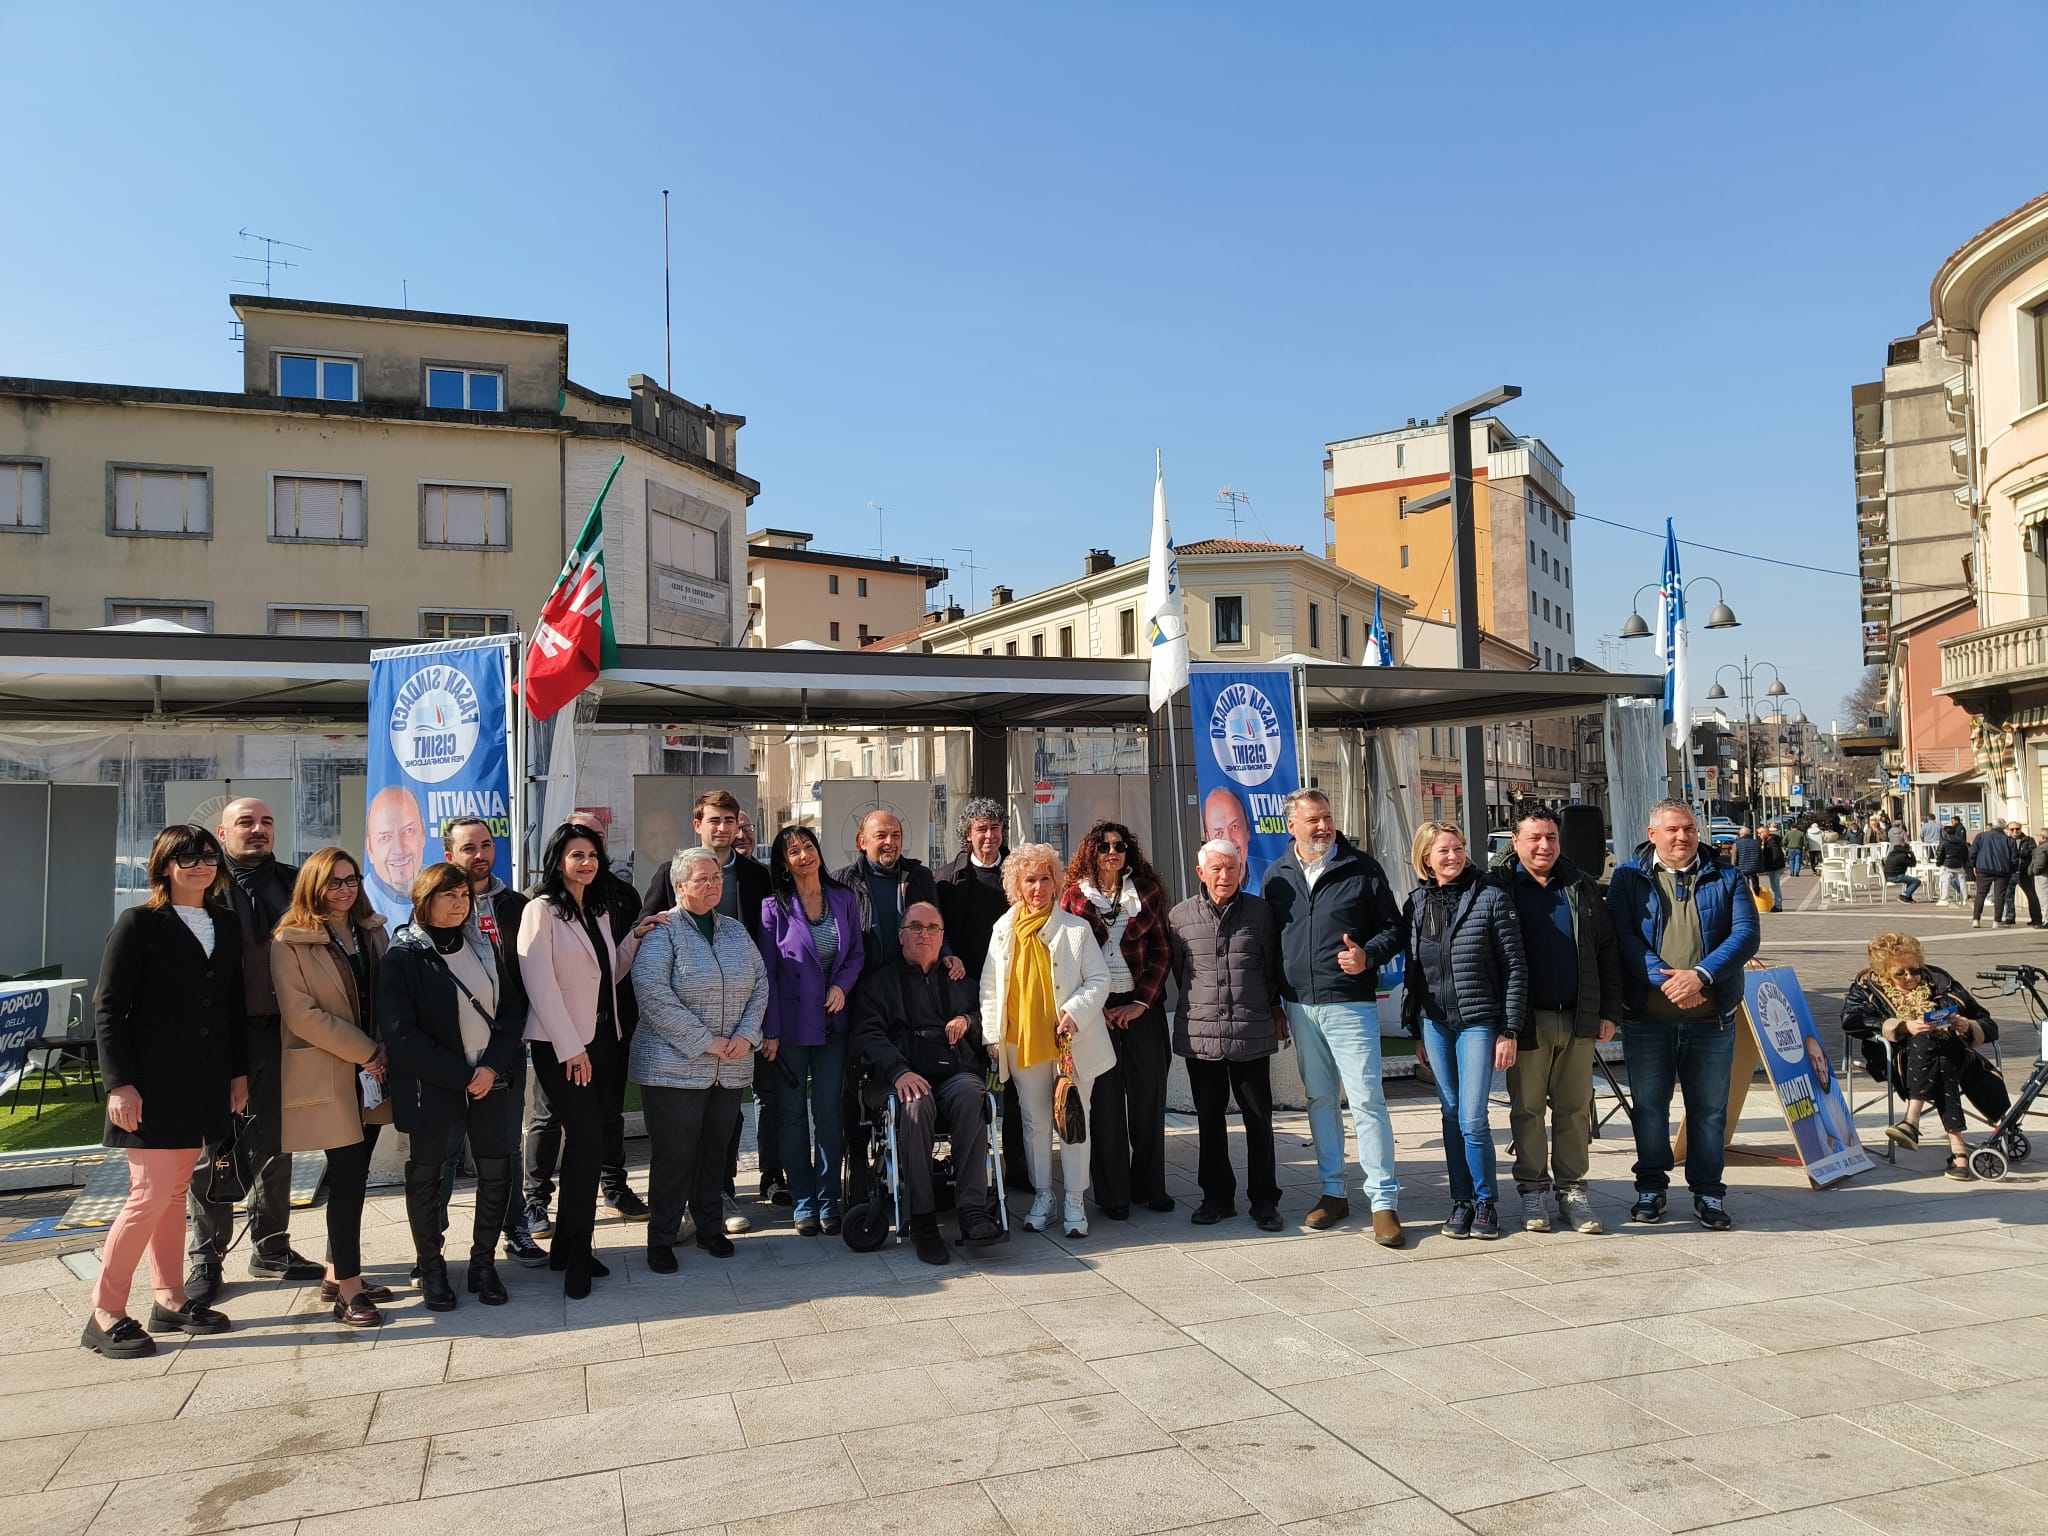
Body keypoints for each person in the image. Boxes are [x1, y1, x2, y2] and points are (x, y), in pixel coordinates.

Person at [86, 825, 249, 1358]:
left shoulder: (224, 923)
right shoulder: (138, 923)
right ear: (163, 866)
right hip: (150, 1085)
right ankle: (105, 1312)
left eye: (207, 857)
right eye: (186, 858)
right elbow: (109, 1009)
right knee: (148, 1195)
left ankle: (171, 1298)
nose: (199, 866)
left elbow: (231, 1008)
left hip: (204, 1084)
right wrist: (120, 1084)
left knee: (177, 1194)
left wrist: (238, 1075)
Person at [186, 798, 320, 1311]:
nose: (258, 830)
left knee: (277, 1141)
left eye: (266, 821)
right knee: (215, 1148)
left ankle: (271, 1246)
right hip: (221, 1037)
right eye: (246, 823)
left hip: (285, 1032)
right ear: (223, 831)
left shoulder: (296, 881)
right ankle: (207, 1255)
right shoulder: (201, 885)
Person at [1263, 788, 1408, 1247]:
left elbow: (1394, 928)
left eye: (1327, 817)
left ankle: (1383, 1201)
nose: (1323, 826)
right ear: (1292, 827)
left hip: (1350, 1003)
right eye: (1313, 820)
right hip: (1300, 1006)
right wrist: (1274, 1004)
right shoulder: (1277, 876)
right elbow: (1271, 947)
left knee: (1367, 1100)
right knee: (1320, 1100)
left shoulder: (1361, 867)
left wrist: (1368, 956)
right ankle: (1333, 1192)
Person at [1607, 799, 1760, 1231]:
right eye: (1673, 829)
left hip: (1711, 1019)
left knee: (1709, 1111)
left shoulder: (1727, 875)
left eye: (1689, 828)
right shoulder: (1627, 878)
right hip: (1648, 1018)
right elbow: (1624, 937)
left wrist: (1701, 976)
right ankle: (1651, 1188)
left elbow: (1746, 934)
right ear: (1652, 834)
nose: (1683, 837)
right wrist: (1667, 981)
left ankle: (1709, 1193)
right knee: (1650, 1108)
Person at [384, 863, 529, 1308]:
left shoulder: (483, 944)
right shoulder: (403, 955)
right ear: (423, 899)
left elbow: (511, 1010)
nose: (458, 903)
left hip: (491, 1080)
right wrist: (462, 1075)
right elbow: (401, 1033)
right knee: (428, 1176)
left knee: (496, 1169)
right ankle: (431, 1270)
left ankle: (483, 1266)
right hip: (437, 1085)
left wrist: (489, 1068)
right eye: (447, 895)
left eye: (463, 895)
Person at [518, 824, 653, 1298]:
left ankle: (566, 1250)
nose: (587, 863)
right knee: (587, 1144)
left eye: (593, 855)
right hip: (563, 1046)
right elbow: (541, 985)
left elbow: (607, 972)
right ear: (558, 860)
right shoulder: (541, 910)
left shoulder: (593, 910)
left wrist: (635, 936)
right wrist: (570, 1047)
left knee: (586, 1144)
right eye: (577, 855)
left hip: (601, 1040)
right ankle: (577, 1254)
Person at [640, 791, 775, 1226]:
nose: (723, 827)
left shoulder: (757, 879)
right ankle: (670, 1220)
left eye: (730, 820)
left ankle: (717, 1202)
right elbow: (651, 968)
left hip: (735, 1040)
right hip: (681, 1052)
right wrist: (704, 1040)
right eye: (714, 819)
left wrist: (751, 1031)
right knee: (678, 1145)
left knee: (722, 1134)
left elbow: (762, 971)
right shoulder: (668, 885)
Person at [272, 848, 391, 1327]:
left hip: (375, 1073)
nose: (345, 890)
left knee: (356, 1176)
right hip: (332, 1068)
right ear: (313, 886)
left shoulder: (373, 931)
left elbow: (389, 994)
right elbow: (302, 1014)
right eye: (334, 882)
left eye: (351, 880)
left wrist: (384, 1049)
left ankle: (336, 1272)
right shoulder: (289, 940)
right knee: (345, 1179)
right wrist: (367, 1050)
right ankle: (349, 1291)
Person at [1491, 808, 1621, 1236]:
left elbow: (1606, 950)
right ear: (1516, 842)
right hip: (1527, 1021)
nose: (1544, 846)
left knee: (1574, 1110)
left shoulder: (1580, 885)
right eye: (1534, 838)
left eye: (1551, 837)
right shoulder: (1499, 887)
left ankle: (1572, 1190)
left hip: (1578, 1018)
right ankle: (1532, 1188)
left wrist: (1609, 1011)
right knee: (1526, 1110)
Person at [850, 901, 999, 1263]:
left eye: (932, 928)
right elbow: (868, 1035)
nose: (924, 934)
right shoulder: (879, 985)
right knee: (915, 1105)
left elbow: (987, 1017)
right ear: (901, 936)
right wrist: (899, 1071)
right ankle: (922, 1217)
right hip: (902, 1079)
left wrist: (968, 1020)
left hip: (953, 1076)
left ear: (942, 937)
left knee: (972, 1094)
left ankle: (973, 1210)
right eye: (916, 927)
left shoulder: (961, 982)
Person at [1399, 821, 1527, 1241]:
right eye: (1443, 851)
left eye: (1458, 848)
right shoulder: (1416, 902)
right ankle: (1462, 1201)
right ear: (1425, 858)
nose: (1452, 857)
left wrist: (1509, 1029)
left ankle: (1486, 1201)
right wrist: (1416, 1028)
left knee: (1472, 1118)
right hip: (1435, 1024)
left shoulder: (1491, 897)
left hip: (1479, 1021)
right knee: (1450, 1114)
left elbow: (1514, 968)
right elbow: (1414, 973)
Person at [980, 843, 1111, 1237]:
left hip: (1070, 1043)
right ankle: (1043, 1196)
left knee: (1072, 1120)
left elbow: (1099, 980)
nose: (1037, 887)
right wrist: (991, 1035)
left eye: (1044, 878)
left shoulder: (1076, 929)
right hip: (1021, 1040)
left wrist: (1074, 1011)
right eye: (1029, 880)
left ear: (1056, 883)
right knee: (1034, 1123)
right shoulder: (1003, 928)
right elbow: (989, 986)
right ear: (1016, 886)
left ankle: (1074, 1200)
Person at [440, 817, 545, 1269]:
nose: (480, 855)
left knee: (505, 1146)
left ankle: (514, 1228)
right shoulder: (430, 905)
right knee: (441, 1154)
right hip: (448, 1052)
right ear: (450, 856)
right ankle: (433, 1245)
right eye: (468, 848)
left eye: (486, 845)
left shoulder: (517, 906)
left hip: (505, 1047)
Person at [1169, 840, 1286, 1232]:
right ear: (1201, 873)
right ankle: (1216, 1197)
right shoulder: (1180, 916)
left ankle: (1265, 1201)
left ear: (1242, 872)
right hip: (1202, 1035)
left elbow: (1272, 968)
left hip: (1250, 1030)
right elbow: (1179, 972)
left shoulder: (1262, 913)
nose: (1224, 876)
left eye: (1231, 869)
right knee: (1209, 1119)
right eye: (1216, 869)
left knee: (1258, 1119)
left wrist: (1268, 1007)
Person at [1059, 821, 1173, 1219]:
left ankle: (1148, 1186)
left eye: (1120, 846)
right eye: (1104, 846)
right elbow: (1067, 962)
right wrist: (1095, 1008)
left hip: (1141, 1008)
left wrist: (1139, 1004)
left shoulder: (1147, 892)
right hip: (1094, 1011)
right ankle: (1113, 1196)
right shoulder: (1073, 898)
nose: (1113, 852)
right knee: (1105, 1105)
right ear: (1090, 851)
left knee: (1148, 1100)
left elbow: (1161, 951)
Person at [759, 825, 865, 1236]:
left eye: (808, 847)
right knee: (790, 1114)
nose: (803, 856)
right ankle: (802, 1203)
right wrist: (769, 1029)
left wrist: (841, 986)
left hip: (833, 1024)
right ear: (783, 864)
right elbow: (766, 971)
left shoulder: (844, 898)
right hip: (789, 1028)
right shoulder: (773, 907)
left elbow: (856, 953)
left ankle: (828, 1201)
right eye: (793, 852)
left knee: (827, 1113)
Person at [1841, 933, 2006, 1182]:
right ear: (1884, 971)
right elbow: (1851, 1021)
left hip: (1954, 1053)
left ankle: (1911, 1121)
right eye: (1901, 973)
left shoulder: (1940, 981)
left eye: (1915, 970)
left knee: (1934, 1044)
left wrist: (1966, 1025)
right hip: (1899, 1061)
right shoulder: (1866, 988)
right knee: (1936, 1053)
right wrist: (1903, 1027)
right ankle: (1957, 1148)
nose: (1910, 977)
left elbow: (1988, 1023)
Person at [933, 798, 1025, 1190]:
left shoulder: (1020, 876)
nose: (990, 836)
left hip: (1015, 990)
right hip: (962, 993)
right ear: (967, 835)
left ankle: (1019, 1169)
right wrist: (949, 954)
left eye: (995, 828)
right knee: (969, 1075)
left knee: (1019, 1083)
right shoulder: (945, 879)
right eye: (981, 829)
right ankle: (967, 1163)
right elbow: (938, 928)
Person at [363, 785, 427, 925]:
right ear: (370, 849)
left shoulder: (443, 887)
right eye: (385, 837)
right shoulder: (357, 906)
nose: (399, 849)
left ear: (423, 833)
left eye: (408, 831)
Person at [1968, 818, 2019, 929]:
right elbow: (2014, 858)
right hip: (2003, 870)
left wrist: (1973, 865)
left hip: (1983, 868)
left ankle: (1976, 919)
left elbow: (1972, 852)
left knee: (1980, 894)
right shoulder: (2009, 840)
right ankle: (1996, 921)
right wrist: (2012, 870)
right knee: (1999, 895)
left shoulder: (1981, 836)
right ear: (2004, 827)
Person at [1201, 787, 1253, 881]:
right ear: (1208, 840)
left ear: (1247, 829)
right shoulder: (1209, 883)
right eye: (1219, 833)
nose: (1229, 841)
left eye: (1235, 827)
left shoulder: (1271, 877)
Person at [2001, 821, 2040, 928]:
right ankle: (2010, 917)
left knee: (2031, 895)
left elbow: (2033, 854)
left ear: (2021, 829)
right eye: (2012, 829)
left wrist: (2022, 854)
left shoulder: (2028, 840)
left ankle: (2036, 918)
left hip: (2024, 871)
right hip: (2010, 872)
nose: (2015, 831)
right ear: (2008, 830)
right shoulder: (2006, 841)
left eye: (2017, 829)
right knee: (2008, 895)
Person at [1935, 816, 1970, 906]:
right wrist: (1964, 863)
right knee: (1962, 882)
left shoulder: (1944, 842)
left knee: (1945, 882)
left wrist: (1939, 863)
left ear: (1946, 833)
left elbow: (1940, 854)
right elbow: (1965, 854)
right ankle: (1964, 899)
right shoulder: (1962, 842)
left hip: (1947, 865)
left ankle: (1943, 899)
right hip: (1959, 864)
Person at [1757, 827, 1786, 910]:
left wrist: (1772, 863)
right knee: (1774, 886)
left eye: (1760, 833)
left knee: (1775, 886)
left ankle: (1778, 905)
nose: (1759, 835)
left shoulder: (1771, 840)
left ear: (1765, 833)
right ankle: (1777, 904)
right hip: (1773, 867)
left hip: (1775, 867)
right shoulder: (1767, 840)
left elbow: (1776, 854)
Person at [1732, 826, 1761, 898]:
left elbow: (1734, 859)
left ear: (1741, 834)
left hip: (1742, 868)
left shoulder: (1736, 844)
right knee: (1755, 882)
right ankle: (1757, 895)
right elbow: (1760, 855)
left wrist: (1733, 868)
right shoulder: (1757, 842)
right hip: (1754, 867)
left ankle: (1748, 898)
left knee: (1745, 884)